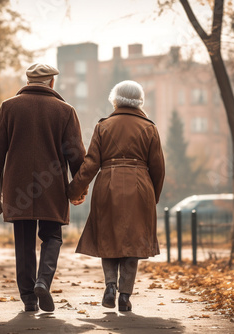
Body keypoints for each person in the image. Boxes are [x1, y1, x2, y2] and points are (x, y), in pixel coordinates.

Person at [0, 63, 86, 312]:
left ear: (28, 81)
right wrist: (78, 188)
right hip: (51, 185)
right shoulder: (66, 111)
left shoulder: (9, 107)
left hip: (17, 186)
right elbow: (75, 154)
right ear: (52, 83)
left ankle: (29, 298)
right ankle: (43, 281)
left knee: (24, 241)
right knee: (52, 236)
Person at [68, 80, 165, 312]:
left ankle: (110, 286)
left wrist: (74, 189)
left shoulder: (103, 126)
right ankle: (125, 295)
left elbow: (90, 163)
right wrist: (154, 196)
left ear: (115, 99)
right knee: (132, 242)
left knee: (108, 237)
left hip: (108, 185)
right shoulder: (149, 128)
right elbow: (158, 167)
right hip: (140, 187)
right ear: (139, 100)